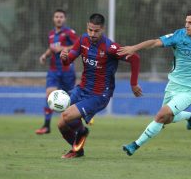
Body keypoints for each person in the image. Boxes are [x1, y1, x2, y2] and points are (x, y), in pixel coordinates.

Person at [118, 8, 191, 156]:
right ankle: (190, 116)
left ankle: (134, 145)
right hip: (173, 85)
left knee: (160, 115)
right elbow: (154, 42)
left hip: (190, 90)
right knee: (166, 119)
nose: (187, 25)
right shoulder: (179, 35)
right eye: (186, 22)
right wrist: (134, 48)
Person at [58, 13, 142, 158]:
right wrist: (64, 58)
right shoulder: (83, 39)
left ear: (102, 29)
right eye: (90, 30)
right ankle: (78, 148)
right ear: (87, 26)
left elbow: (135, 58)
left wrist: (133, 84)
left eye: (96, 31)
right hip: (82, 88)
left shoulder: (111, 47)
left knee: (67, 116)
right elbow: (69, 60)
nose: (92, 34)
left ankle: (80, 136)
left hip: (99, 94)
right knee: (61, 124)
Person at [35, 9, 78, 135]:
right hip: (53, 69)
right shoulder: (51, 34)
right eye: (56, 16)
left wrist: (63, 48)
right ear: (53, 19)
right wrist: (44, 55)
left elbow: (78, 45)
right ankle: (46, 125)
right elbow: (51, 48)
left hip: (67, 70)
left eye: (61, 16)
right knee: (49, 93)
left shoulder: (69, 32)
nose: (59, 19)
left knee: (71, 99)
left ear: (64, 19)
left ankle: (80, 117)